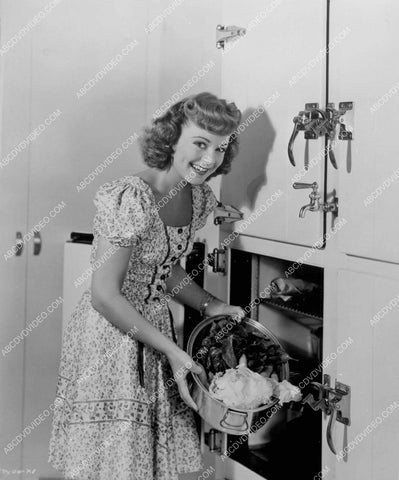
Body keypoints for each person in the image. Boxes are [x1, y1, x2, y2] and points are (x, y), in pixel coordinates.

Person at [48, 92, 245, 480]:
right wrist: (173, 351)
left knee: (145, 464)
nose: (210, 158)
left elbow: (162, 266)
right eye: (200, 143)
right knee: (113, 462)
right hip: (111, 337)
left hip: (154, 329)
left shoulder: (199, 197)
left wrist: (210, 305)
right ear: (172, 139)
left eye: (220, 149)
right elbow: (105, 295)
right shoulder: (129, 196)